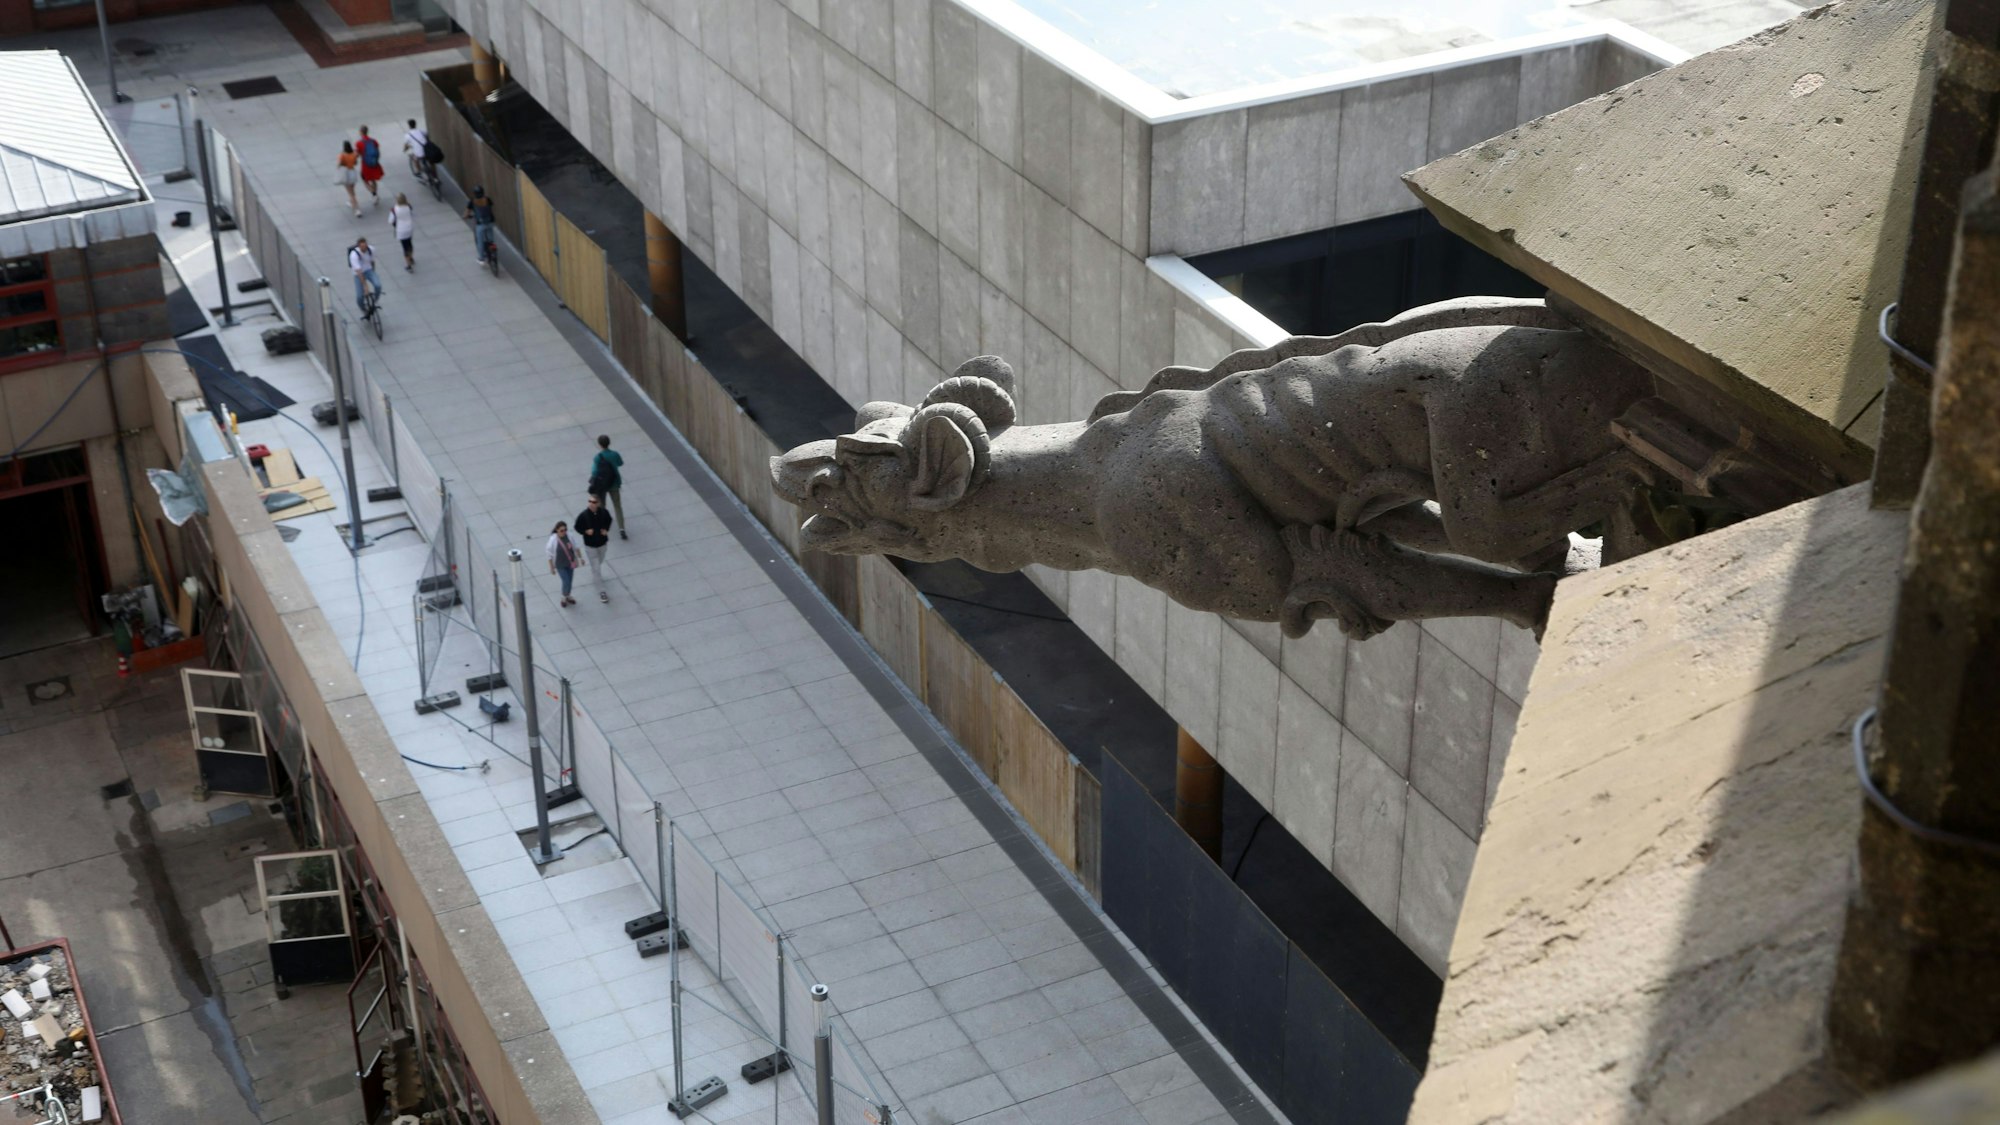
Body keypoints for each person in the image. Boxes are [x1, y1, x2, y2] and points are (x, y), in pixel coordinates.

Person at [574, 494, 614, 603]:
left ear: (598, 503)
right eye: (590, 501)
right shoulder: (584, 515)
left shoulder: (604, 513)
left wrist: (606, 529)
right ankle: (602, 592)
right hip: (590, 546)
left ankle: (596, 575)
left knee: (599, 561)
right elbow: (577, 527)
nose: (591, 504)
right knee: (596, 568)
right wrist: (585, 531)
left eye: (594, 502)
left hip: (602, 544)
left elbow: (609, 520)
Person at [588, 435, 626, 540]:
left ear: (599, 444)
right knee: (617, 506)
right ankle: (622, 529)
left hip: (602, 486)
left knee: (602, 506)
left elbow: (594, 472)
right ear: (609, 443)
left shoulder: (597, 457)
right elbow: (620, 463)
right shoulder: (615, 454)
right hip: (614, 483)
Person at [546, 520, 583, 607]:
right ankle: (564, 596)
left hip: (570, 563)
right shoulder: (553, 540)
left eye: (565, 530)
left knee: (569, 581)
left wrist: (580, 558)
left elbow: (576, 547)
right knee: (566, 581)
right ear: (557, 530)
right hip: (560, 565)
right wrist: (551, 568)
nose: (564, 532)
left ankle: (568, 595)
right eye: (561, 530)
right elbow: (549, 554)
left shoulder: (569, 536)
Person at [465, 186, 497, 266]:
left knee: (480, 241)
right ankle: (492, 247)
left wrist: (466, 216)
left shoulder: (472, 201)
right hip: (490, 222)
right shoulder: (487, 199)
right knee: (490, 239)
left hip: (481, 224)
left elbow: (467, 212)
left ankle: (481, 258)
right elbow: (491, 208)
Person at [349, 237, 382, 313]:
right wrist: (365, 286)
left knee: (378, 285)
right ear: (358, 246)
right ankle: (363, 308)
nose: (364, 248)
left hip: (368, 270)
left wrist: (373, 272)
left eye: (365, 246)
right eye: (362, 247)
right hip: (358, 274)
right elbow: (359, 272)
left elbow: (372, 261)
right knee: (360, 296)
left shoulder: (371, 249)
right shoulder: (354, 255)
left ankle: (375, 300)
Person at [356, 125, 384, 205]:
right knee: (373, 180)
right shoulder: (373, 141)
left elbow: (357, 154)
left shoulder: (359, 143)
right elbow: (378, 152)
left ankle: (374, 194)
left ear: (361, 132)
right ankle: (375, 194)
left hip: (365, 165)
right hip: (374, 163)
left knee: (364, 180)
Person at [389, 193, 415, 271]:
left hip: (401, 229)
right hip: (409, 228)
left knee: (404, 246)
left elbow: (390, 221)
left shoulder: (394, 209)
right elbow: (412, 214)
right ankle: (411, 257)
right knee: (409, 243)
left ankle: (408, 265)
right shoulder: (409, 206)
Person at [335, 140, 361, 218]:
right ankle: (351, 202)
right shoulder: (354, 154)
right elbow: (356, 163)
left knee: (351, 193)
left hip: (346, 174)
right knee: (352, 191)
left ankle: (357, 209)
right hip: (353, 173)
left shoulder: (342, 155)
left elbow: (338, 165)